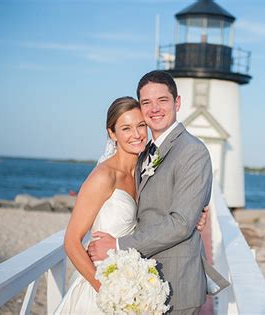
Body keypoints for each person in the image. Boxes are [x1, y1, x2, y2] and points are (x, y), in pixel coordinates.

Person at [88, 71, 226, 314]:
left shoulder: (192, 151)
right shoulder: (143, 153)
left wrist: (118, 245)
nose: (154, 109)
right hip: (141, 281)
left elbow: (181, 223)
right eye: (146, 102)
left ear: (177, 103)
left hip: (177, 286)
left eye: (162, 100)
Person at [54, 96, 208, 314]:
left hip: (133, 281)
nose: (136, 134)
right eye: (126, 128)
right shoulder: (103, 177)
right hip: (103, 285)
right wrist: (106, 290)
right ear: (112, 133)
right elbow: (71, 241)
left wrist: (195, 215)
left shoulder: (144, 171)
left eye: (141, 125)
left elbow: (163, 210)